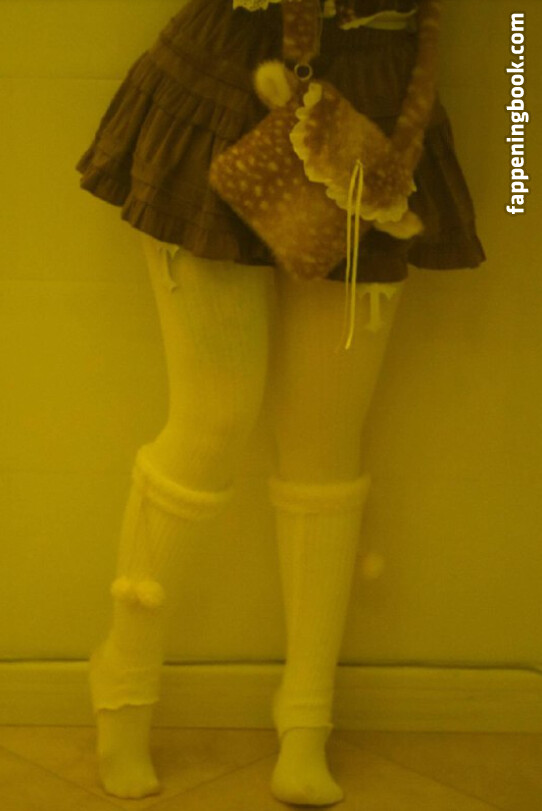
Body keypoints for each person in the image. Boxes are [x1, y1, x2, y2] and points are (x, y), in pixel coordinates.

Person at [76, 0, 485, 805]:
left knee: (326, 441)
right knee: (214, 417)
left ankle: (306, 717)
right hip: (229, 71)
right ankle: (122, 679)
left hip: (379, 97)